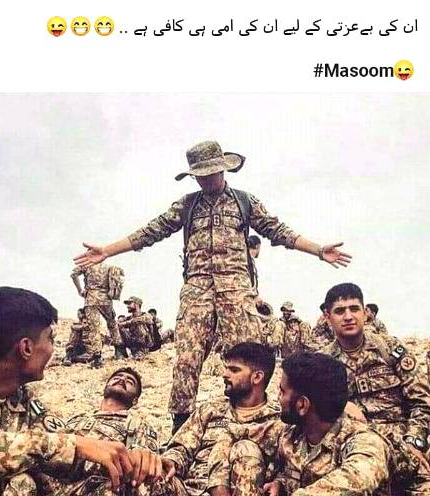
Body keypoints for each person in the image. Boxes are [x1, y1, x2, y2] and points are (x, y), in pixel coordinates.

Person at [74, 140, 352, 432]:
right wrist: (107, 251)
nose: (205, 180)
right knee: (187, 359)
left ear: (223, 169)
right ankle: (181, 426)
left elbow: (278, 231)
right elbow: (151, 231)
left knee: (247, 360)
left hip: (237, 292)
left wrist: (318, 250)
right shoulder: (187, 205)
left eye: (210, 174)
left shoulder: (244, 202)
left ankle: (251, 423)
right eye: (199, 176)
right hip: (197, 292)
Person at [0, 286, 162, 495]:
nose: (53, 349)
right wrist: (75, 445)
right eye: (51, 339)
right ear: (26, 348)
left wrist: (136, 459)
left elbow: (61, 450)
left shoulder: (23, 401)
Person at [321, 283, 430, 495]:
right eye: (340, 311)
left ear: (365, 313)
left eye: (354, 309)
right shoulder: (322, 362)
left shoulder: (390, 350)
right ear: (328, 317)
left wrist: (414, 443)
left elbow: (422, 402)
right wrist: (342, 405)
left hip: (402, 449)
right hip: (352, 452)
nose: (348, 316)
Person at [152, 343, 283, 496]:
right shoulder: (211, 410)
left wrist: (278, 483)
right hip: (192, 491)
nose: (225, 374)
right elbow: (181, 448)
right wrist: (171, 462)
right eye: (226, 368)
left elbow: (289, 469)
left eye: (234, 370)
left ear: (257, 377)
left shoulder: (278, 421)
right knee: (148, 475)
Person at [261, 352, 390, 496]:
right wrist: (281, 483)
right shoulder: (295, 432)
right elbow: (247, 431)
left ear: (302, 405)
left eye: (282, 392)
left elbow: (356, 480)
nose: (278, 398)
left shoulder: (365, 442)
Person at [45, 367, 159, 496]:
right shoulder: (78, 418)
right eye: (117, 377)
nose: (122, 379)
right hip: (54, 485)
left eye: (130, 381)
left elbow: (144, 463)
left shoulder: (138, 424)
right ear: (105, 388)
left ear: (135, 400)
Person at [71, 262, 127, 365]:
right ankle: (119, 351)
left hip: (91, 299)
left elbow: (74, 275)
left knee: (94, 328)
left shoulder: (86, 265)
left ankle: (97, 356)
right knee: (112, 324)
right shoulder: (108, 266)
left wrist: (80, 290)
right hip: (106, 299)